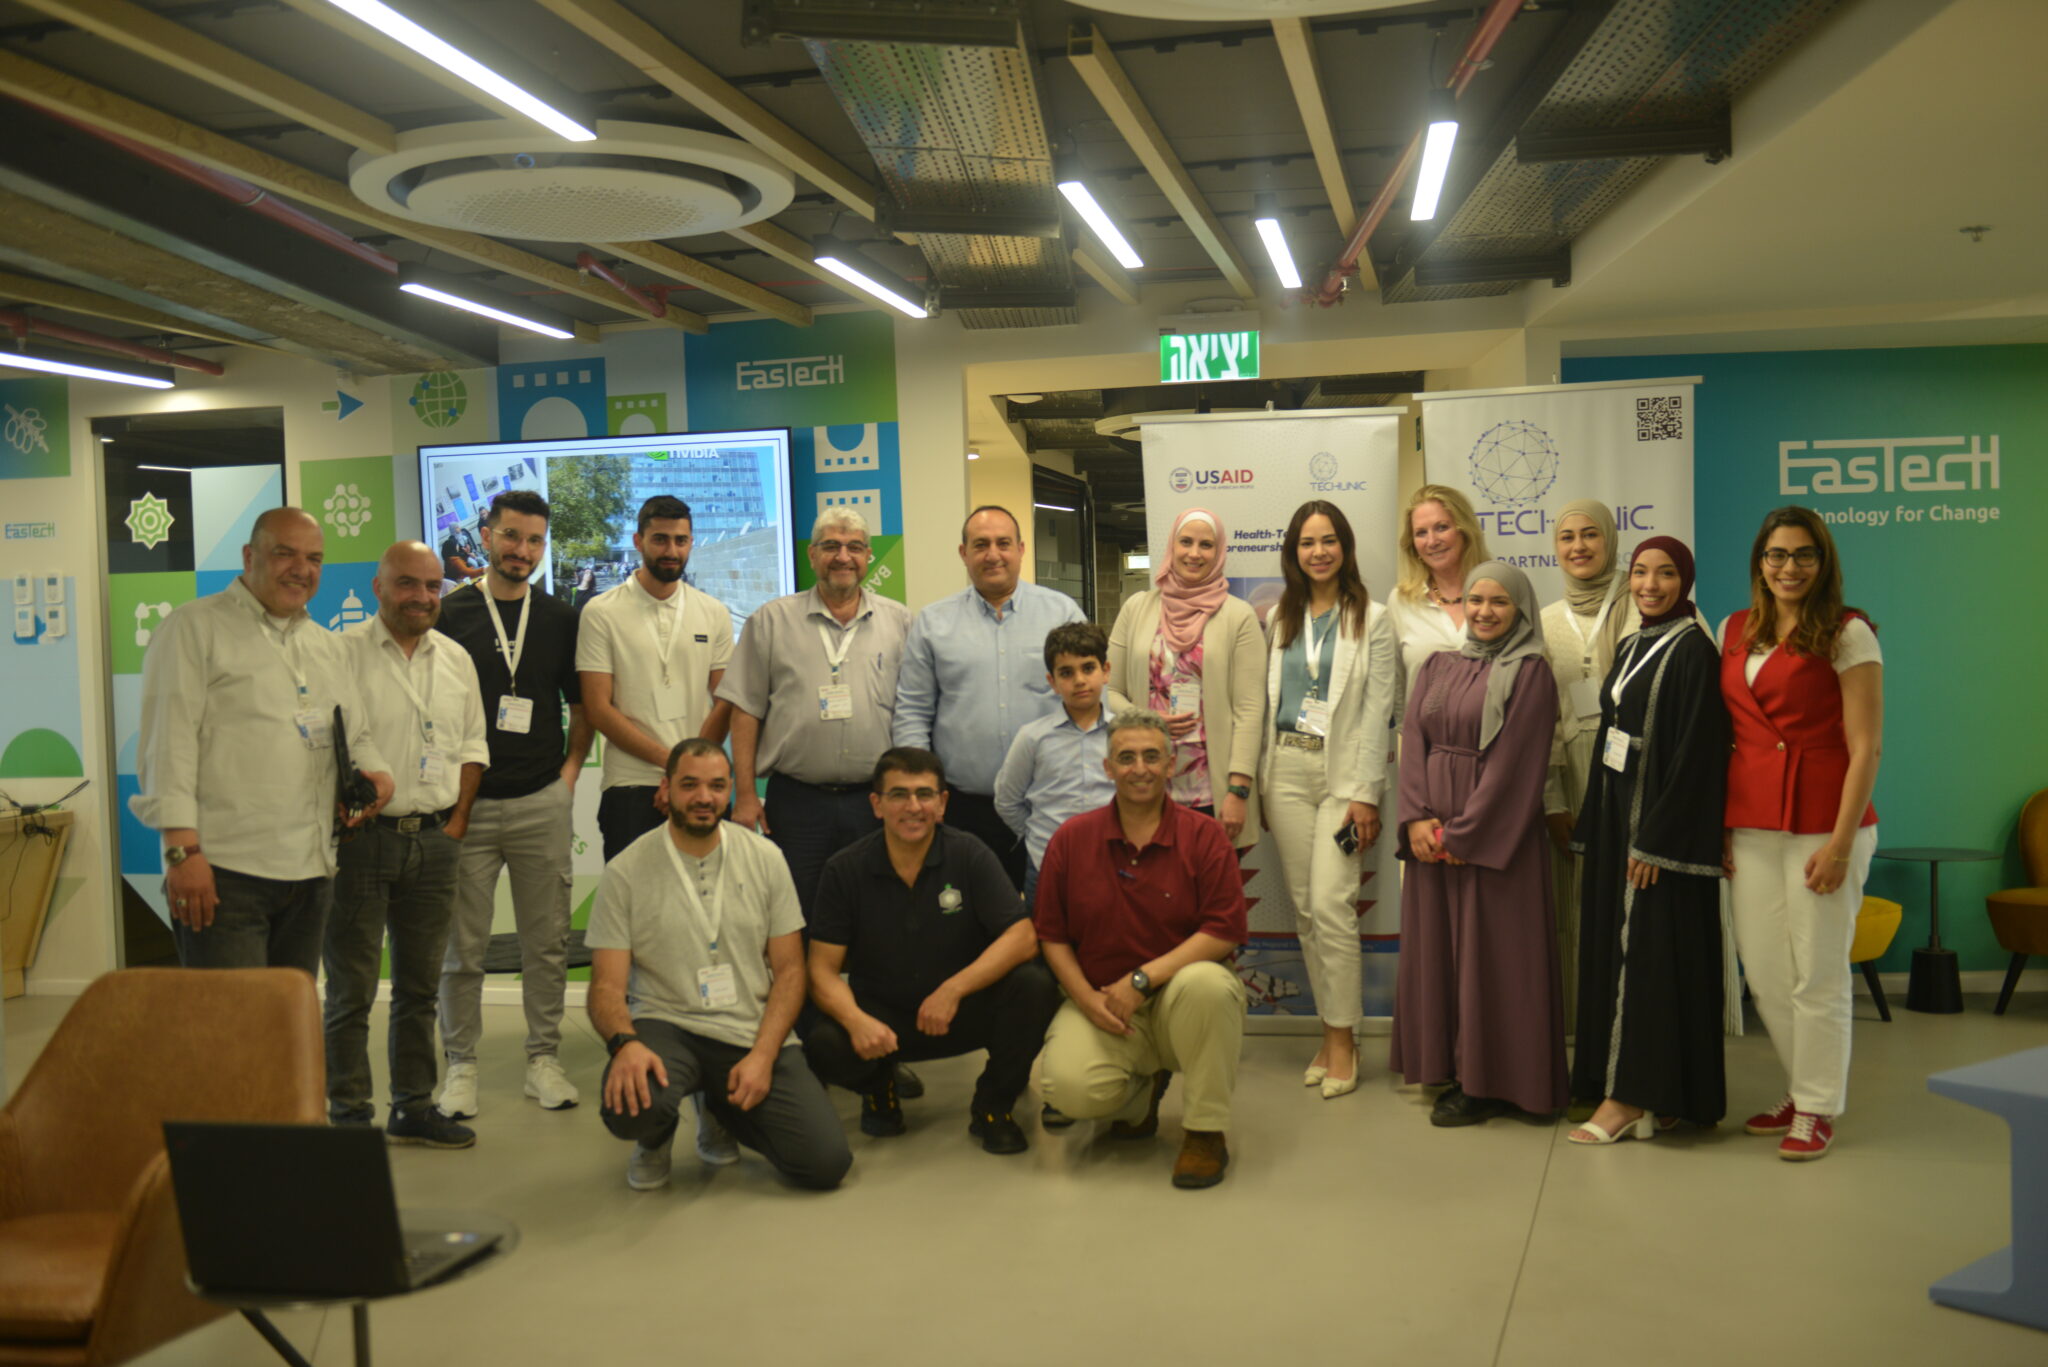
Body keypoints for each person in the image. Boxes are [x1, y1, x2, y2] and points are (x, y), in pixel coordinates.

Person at [132, 506, 393, 972]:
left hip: (312, 872)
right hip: (226, 874)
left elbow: (356, 735)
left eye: (314, 558)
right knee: (232, 1016)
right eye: (285, 554)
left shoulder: (326, 645)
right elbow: (168, 747)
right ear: (249, 556)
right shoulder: (194, 628)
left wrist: (379, 774)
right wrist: (181, 854)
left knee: (287, 1013)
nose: (301, 569)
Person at [586, 739, 850, 1192]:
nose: (704, 797)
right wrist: (624, 1045)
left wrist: (763, 1057)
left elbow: (790, 971)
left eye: (716, 786)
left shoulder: (766, 857)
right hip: (666, 1024)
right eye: (689, 785)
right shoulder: (626, 870)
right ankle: (655, 1136)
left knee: (825, 1164)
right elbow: (606, 988)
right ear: (666, 789)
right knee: (634, 1107)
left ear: (731, 790)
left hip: (748, 1026)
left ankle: (720, 1105)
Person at [1720, 507, 1882, 1162]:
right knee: (1764, 972)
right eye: (1777, 554)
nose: (1789, 567)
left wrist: (1840, 845)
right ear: (1760, 562)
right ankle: (1801, 1085)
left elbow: (1866, 746)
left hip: (1824, 822)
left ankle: (1816, 1107)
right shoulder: (1735, 628)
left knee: (1817, 973)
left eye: (1803, 554)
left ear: (1823, 561)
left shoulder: (1848, 632)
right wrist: (1722, 826)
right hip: (1752, 821)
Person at [804, 748, 1063, 1154]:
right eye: (898, 795)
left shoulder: (969, 853)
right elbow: (821, 970)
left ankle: (993, 1106)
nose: (913, 807)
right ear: (876, 804)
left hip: (960, 1010)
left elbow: (1022, 937)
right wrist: (857, 1021)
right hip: (884, 1020)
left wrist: (953, 990)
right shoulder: (844, 869)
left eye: (924, 794)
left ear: (942, 803)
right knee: (823, 1040)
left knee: (1036, 985)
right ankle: (879, 1088)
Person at [1034, 710, 1249, 1189]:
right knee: (1066, 1090)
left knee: (1209, 985)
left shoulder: (1205, 836)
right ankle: (1140, 1097)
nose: (1140, 769)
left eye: (1152, 757)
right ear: (1108, 768)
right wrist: (1086, 1000)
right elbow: (1052, 936)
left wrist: (1142, 980)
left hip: (1179, 1002)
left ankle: (1205, 1131)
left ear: (1171, 765)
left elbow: (1224, 931)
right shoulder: (1071, 839)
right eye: (1126, 758)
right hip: (1104, 1004)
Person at [324, 541, 489, 1149]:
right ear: (378, 587)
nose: (422, 597)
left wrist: (458, 821)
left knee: (420, 988)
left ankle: (413, 1107)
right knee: (352, 991)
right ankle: (348, 1117)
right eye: (407, 584)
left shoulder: (457, 659)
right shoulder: (339, 653)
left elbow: (472, 746)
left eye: (432, 585)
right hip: (363, 842)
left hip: (437, 841)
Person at [435, 490, 593, 1120]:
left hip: (539, 800)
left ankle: (542, 1059)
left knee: (546, 942)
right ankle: (461, 1065)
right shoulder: (449, 614)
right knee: (462, 947)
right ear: (486, 535)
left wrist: (569, 774)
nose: (521, 550)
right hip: (466, 808)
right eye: (510, 536)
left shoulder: (559, 617)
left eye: (533, 540)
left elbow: (581, 704)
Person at [1568, 537, 1730, 1144]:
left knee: (1650, 961)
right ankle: (1666, 1093)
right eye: (1640, 572)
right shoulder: (1635, 642)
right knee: (1623, 955)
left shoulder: (1694, 650)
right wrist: (1597, 822)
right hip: (1620, 822)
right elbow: (1612, 732)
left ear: (1684, 581)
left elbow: (1698, 754)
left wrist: (1657, 840)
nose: (1650, 585)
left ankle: (1630, 1097)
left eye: (1665, 574)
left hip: (1657, 836)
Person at [1392, 561, 1566, 1125]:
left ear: (1521, 610)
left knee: (1495, 959)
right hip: (1432, 835)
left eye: (1499, 602)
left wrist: (1463, 835)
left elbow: (1517, 763)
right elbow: (1413, 737)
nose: (1485, 612)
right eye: (1476, 600)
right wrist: (1416, 819)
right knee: (1441, 951)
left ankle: (1490, 1083)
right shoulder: (1438, 664)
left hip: (1492, 840)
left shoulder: (1532, 673)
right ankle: (1448, 1065)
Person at [1258, 501, 1396, 1100]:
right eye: (1308, 542)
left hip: (1341, 779)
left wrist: (1366, 795)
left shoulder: (1374, 618)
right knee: (1306, 911)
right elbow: (1268, 704)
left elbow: (1378, 710)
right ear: (1294, 552)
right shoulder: (1279, 617)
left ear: (1345, 547)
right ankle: (1331, 1032)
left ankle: (1343, 1039)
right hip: (1285, 771)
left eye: (1329, 540)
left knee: (1333, 906)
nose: (1319, 552)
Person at [719, 507, 912, 918]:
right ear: (812, 555)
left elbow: (914, 710)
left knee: (872, 913)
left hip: (873, 801)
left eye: (854, 547)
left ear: (868, 555)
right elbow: (745, 711)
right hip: (796, 804)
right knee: (795, 913)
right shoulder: (770, 622)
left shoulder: (900, 622)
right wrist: (746, 794)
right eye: (831, 546)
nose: (843, 557)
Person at [894, 505, 1085, 888]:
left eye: (1003, 543)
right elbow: (912, 711)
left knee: (1050, 909)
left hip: (1048, 804)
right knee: (963, 911)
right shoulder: (933, 622)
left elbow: (1089, 704)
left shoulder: (1061, 613)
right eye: (980, 545)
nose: (993, 554)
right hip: (963, 810)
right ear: (963, 553)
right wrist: (922, 792)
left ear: (1021, 549)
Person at [578, 495, 735, 861]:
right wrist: (677, 767)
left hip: (702, 785)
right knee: (634, 895)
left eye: (681, 541)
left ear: (691, 542)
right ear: (639, 541)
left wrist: (690, 775)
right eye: (660, 539)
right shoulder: (601, 612)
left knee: (708, 891)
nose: (671, 551)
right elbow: (598, 708)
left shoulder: (713, 612)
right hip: (630, 783)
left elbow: (724, 701)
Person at [1539, 500, 1639, 1043]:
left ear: (1611, 540)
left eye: (1590, 534)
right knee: (1573, 908)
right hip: (1571, 778)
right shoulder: (1544, 622)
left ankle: (1632, 1029)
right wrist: (1552, 801)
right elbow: (1538, 721)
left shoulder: (1646, 603)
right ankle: (1580, 1028)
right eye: (1567, 537)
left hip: (1634, 775)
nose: (1578, 547)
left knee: (1630, 905)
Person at [1106, 508, 1265, 846]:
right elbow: (1110, 691)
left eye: (1206, 545)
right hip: (1145, 784)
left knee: (1211, 878)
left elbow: (1250, 711)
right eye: (1186, 542)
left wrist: (1238, 789)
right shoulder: (1137, 608)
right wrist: (1146, 719)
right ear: (1171, 546)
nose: (1194, 553)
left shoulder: (1239, 616)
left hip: (1211, 790)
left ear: (1218, 552)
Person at [994, 621, 1118, 911]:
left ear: (1106, 671)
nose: (1079, 680)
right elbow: (1007, 801)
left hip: (1113, 864)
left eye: (1088, 668)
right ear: (1052, 681)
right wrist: (1039, 835)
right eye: (1066, 673)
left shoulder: (1123, 734)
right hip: (1047, 866)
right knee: (1045, 936)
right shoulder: (1033, 738)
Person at [1385, 484, 1491, 706]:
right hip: (1424, 729)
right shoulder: (1401, 601)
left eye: (1442, 527)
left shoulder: (1500, 591)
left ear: (1465, 530)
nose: (1432, 541)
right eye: (1421, 533)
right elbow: (1396, 687)